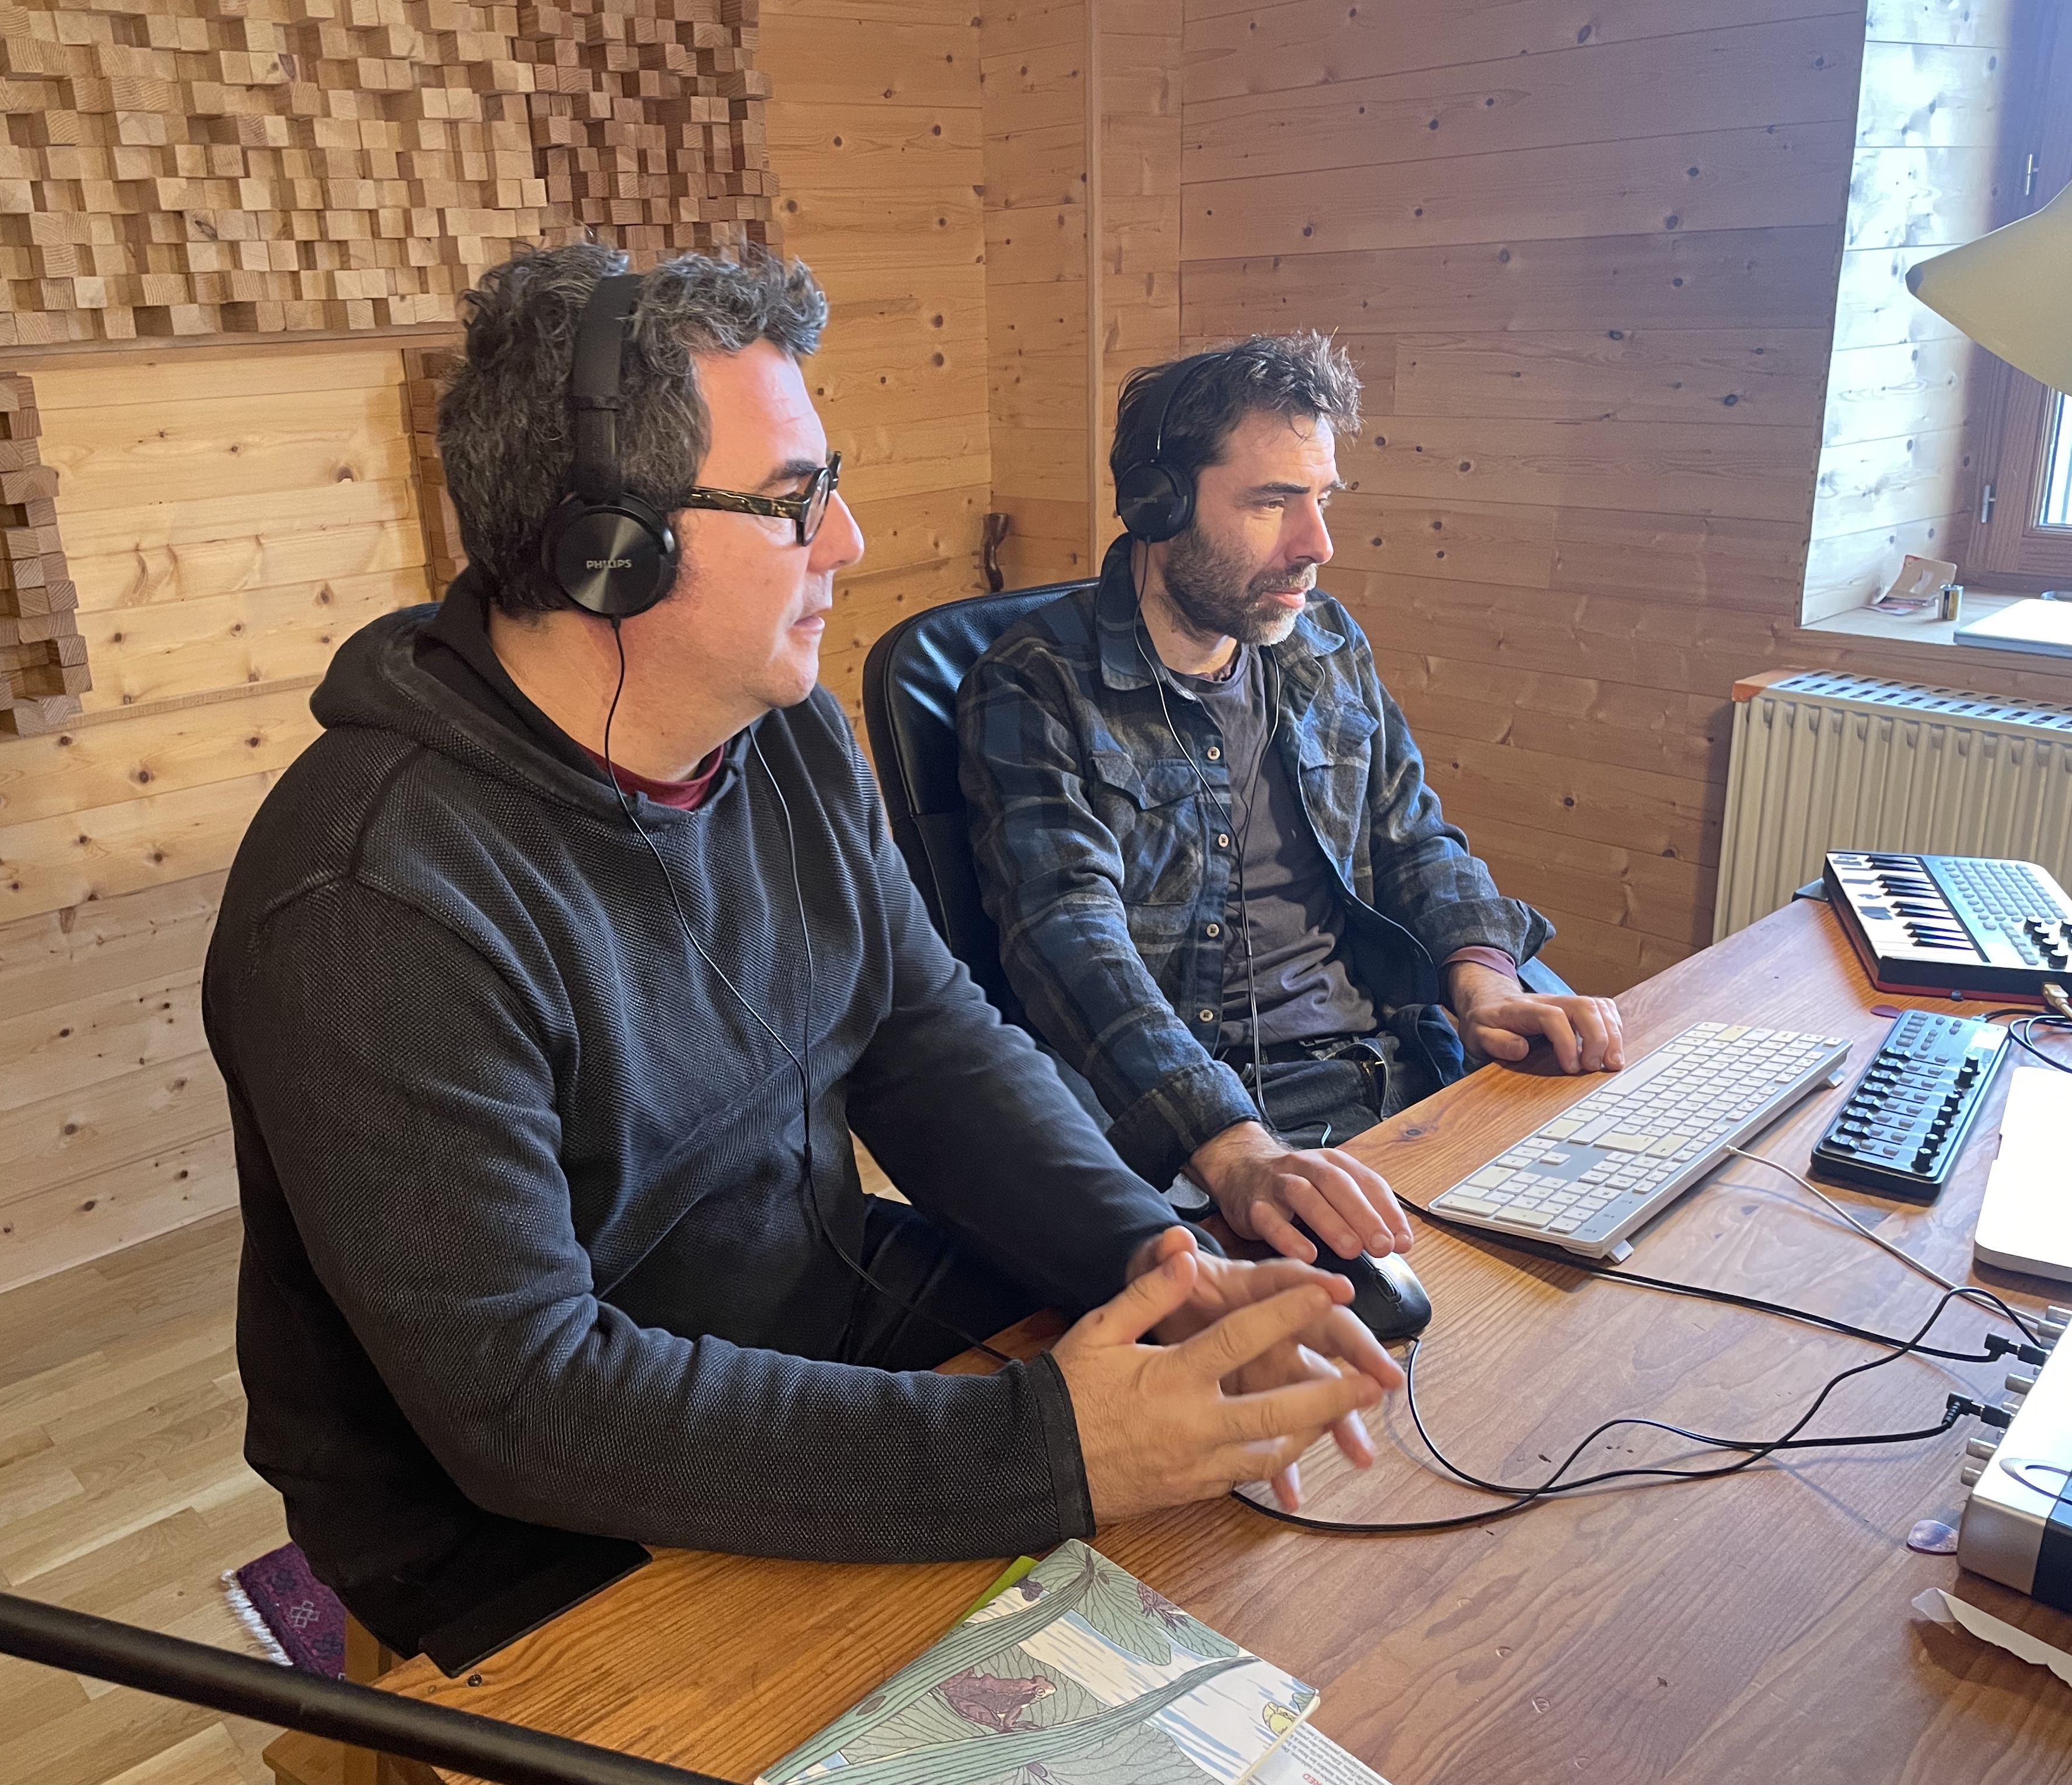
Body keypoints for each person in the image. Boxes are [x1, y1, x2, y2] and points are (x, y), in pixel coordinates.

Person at [202, 246, 1403, 1658]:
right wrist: (1047, 1446)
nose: (848, 541)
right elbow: (525, 1403)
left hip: (811, 1305)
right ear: (608, 550)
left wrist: (1157, 1261)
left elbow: (927, 1039)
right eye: (791, 502)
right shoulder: (372, 902)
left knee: (1228, 1537)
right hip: (511, 1501)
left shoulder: (785, 736)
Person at [958, 336, 1626, 1272]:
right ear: (1158, 504)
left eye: (1322, 500)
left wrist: (1485, 984)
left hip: (1403, 1069)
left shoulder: (1325, 643)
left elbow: (1413, 838)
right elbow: (1068, 937)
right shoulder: (1038, 683)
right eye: (1273, 502)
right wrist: (1229, 1143)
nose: (1317, 545)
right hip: (1208, 1133)